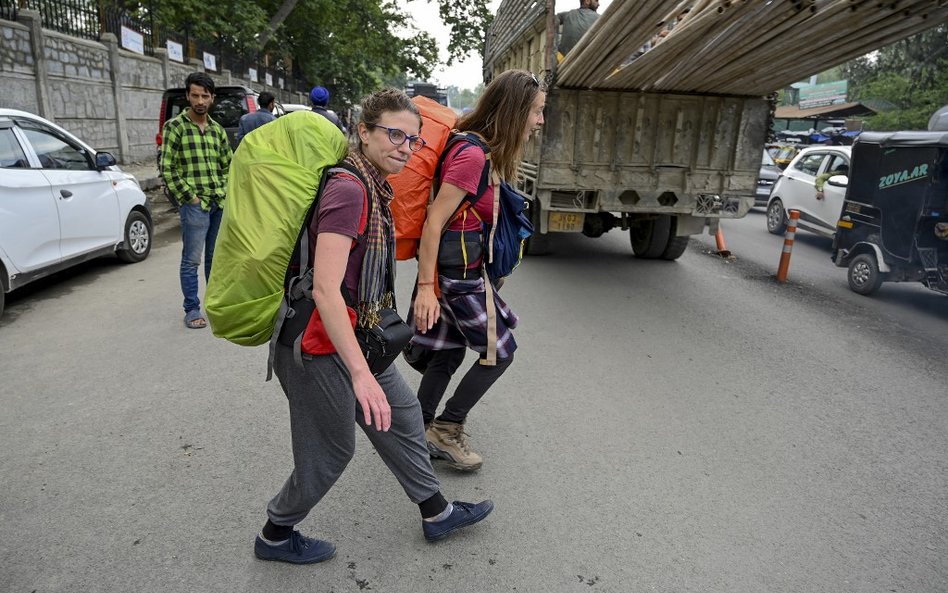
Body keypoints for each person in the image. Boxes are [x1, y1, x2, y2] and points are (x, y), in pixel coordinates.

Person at [256, 88, 494, 565]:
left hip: (354, 334)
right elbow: (324, 289)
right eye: (393, 134)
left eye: (413, 139)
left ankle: (435, 511)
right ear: (363, 133)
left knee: (403, 414)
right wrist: (361, 375)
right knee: (330, 452)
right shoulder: (349, 189)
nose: (404, 147)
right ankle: (275, 533)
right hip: (316, 344)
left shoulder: (375, 186)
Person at [411, 70, 546, 471]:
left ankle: (416, 430)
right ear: (515, 110)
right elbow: (434, 221)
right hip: (459, 278)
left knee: (447, 354)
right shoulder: (472, 155)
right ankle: (447, 428)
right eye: (537, 112)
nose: (540, 121)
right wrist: (425, 288)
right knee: (500, 352)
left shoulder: (482, 151)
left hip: (465, 272)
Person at [160, 71, 232, 329]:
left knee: (215, 258)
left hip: (217, 204)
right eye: (195, 95)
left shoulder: (217, 130)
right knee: (192, 260)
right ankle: (191, 308)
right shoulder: (175, 127)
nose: (200, 101)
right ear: (188, 96)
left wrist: (223, 192)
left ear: (212, 98)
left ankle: (213, 305)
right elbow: (167, 168)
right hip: (195, 206)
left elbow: (228, 165)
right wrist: (189, 197)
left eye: (205, 96)